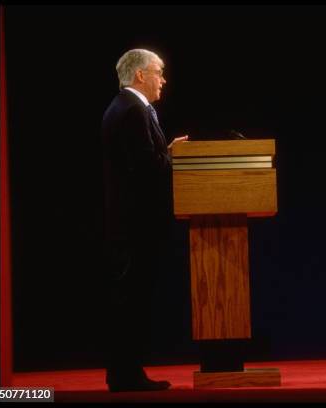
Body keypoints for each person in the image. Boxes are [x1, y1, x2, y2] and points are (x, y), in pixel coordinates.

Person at [101, 49, 187, 392]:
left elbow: (143, 160)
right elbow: (146, 168)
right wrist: (170, 154)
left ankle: (127, 374)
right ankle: (125, 376)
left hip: (129, 224)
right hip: (133, 226)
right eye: (158, 72)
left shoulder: (127, 108)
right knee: (129, 302)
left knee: (131, 301)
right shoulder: (133, 110)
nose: (163, 79)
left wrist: (164, 151)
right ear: (140, 75)